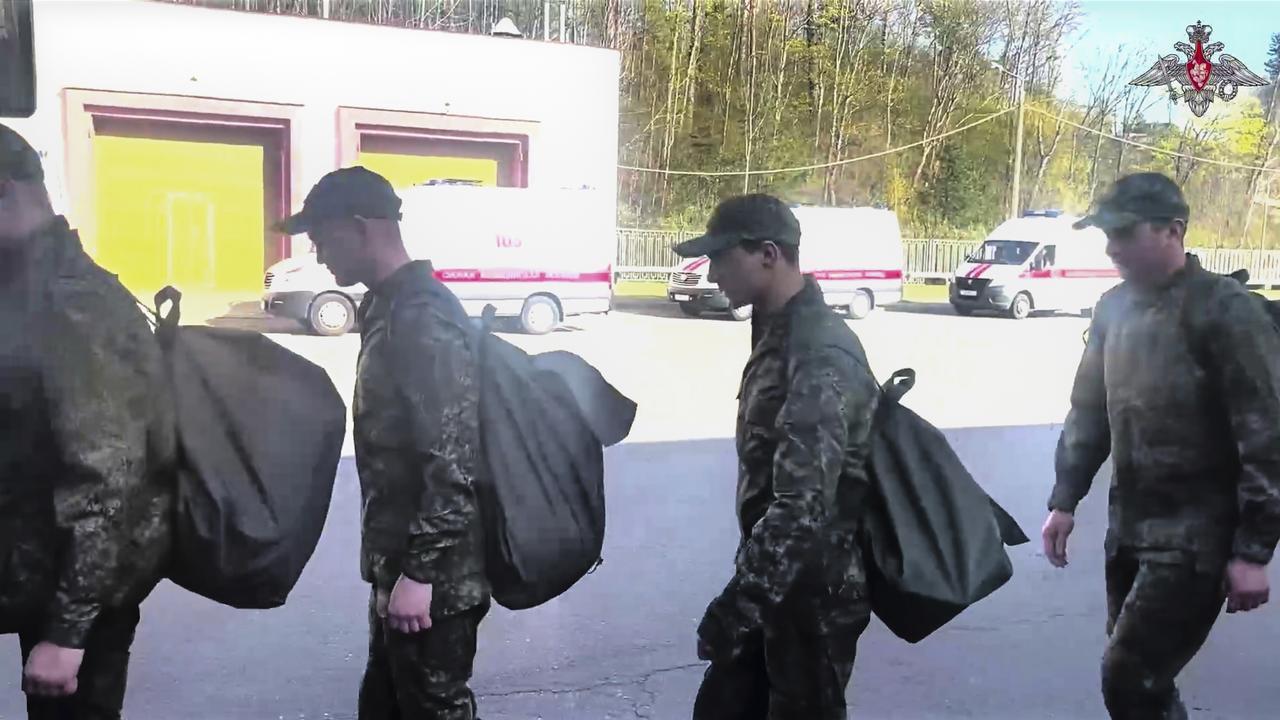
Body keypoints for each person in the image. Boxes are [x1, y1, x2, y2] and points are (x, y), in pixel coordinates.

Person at [1042, 172, 1280, 719]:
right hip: (1129, 532)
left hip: (1196, 540)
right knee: (1143, 679)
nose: (1111, 248)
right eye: (1107, 234)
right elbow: (1088, 411)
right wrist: (1064, 499)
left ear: (1173, 231)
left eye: (1125, 233)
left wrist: (1252, 551)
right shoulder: (1112, 308)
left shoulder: (1225, 310)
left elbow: (1266, 437)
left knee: (1128, 675)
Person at [276, 167, 489, 720]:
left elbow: (455, 459)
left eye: (322, 238)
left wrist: (420, 574)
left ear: (360, 227)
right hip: (401, 569)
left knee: (432, 709)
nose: (319, 255)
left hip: (435, 583)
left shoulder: (421, 315)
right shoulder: (389, 305)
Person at [678, 194, 879, 719]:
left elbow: (802, 507)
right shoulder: (779, 332)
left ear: (768, 254)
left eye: (722, 257)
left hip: (811, 600)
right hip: (775, 587)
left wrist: (737, 606)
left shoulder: (817, 351)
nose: (712, 272)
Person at [0, 123, 175, 719]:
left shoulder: (73, 302)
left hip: (75, 598)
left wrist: (67, 632)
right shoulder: (28, 287)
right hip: (37, 579)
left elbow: (109, 476)